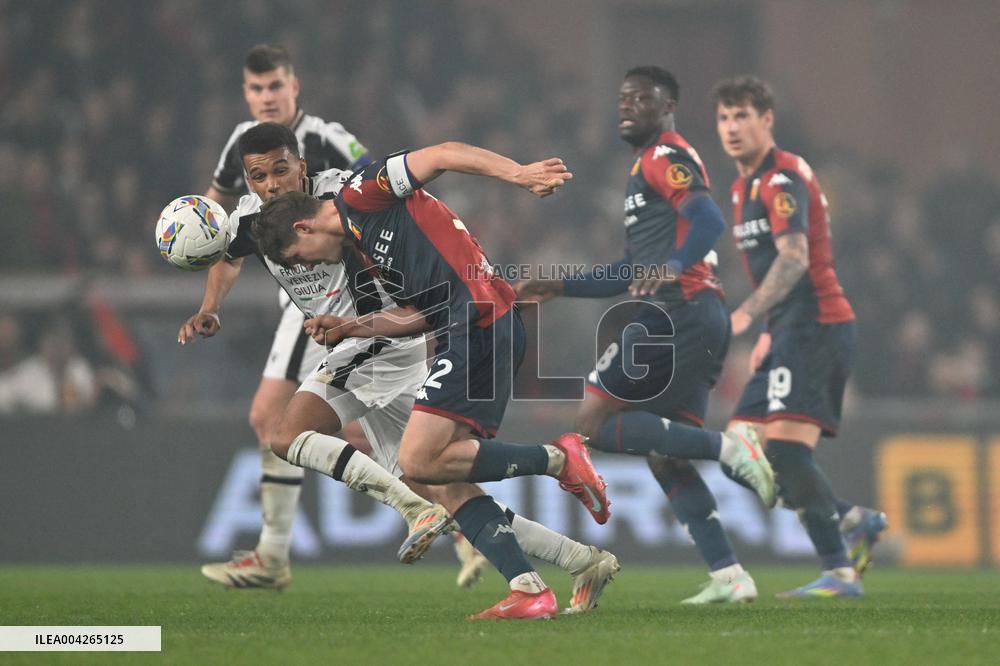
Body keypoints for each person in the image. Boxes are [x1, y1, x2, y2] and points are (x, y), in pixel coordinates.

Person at [187, 123, 620, 613]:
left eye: (296, 257)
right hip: (439, 329)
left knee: (293, 437)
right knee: (440, 477)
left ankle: (542, 467)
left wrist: (519, 174)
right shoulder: (354, 237)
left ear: (303, 199)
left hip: (459, 329)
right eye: (258, 176)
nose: (301, 267)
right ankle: (562, 567)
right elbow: (421, 310)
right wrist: (347, 328)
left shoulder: (358, 194)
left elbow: (443, 152)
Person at [515, 66, 774, 604]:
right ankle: (730, 574)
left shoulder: (665, 155)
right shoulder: (646, 167)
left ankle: (728, 446)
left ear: (669, 105)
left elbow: (708, 219)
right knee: (666, 455)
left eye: (642, 97)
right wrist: (562, 286)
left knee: (591, 420)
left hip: (674, 311)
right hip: (699, 312)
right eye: (622, 97)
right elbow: (630, 269)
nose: (627, 105)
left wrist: (675, 266)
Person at [191, 43, 375, 587]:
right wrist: (196, 237)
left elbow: (381, 190)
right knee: (294, 424)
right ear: (245, 93)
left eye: (275, 86)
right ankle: (444, 499)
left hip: (332, 301)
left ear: (295, 87)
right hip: (294, 297)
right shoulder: (239, 144)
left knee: (273, 420)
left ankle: (273, 555)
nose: (266, 97)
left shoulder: (329, 139)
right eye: (256, 88)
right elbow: (220, 209)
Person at [713, 75, 887, 597]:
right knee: (740, 453)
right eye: (723, 118)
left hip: (816, 326)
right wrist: (770, 328)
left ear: (768, 120)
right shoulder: (743, 185)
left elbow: (793, 258)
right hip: (789, 328)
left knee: (784, 454)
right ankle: (852, 520)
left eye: (743, 115)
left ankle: (839, 572)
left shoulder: (781, 178)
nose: (732, 127)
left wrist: (746, 317)